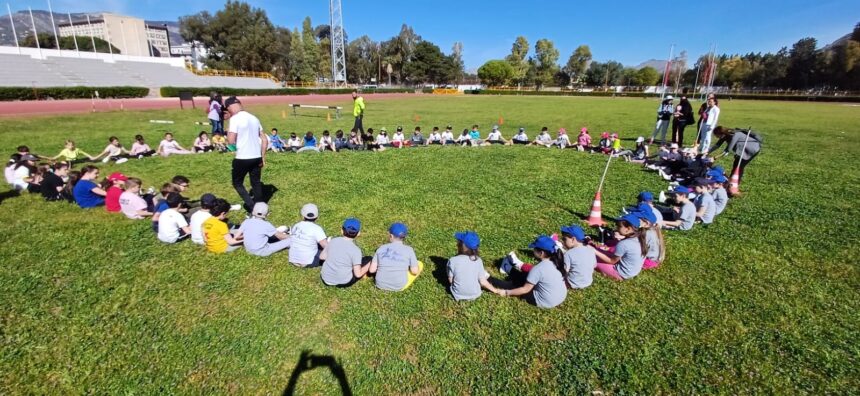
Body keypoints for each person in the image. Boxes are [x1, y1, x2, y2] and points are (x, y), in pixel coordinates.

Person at [496, 235, 567, 308]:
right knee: (527, 276)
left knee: (515, 284)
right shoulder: (557, 262)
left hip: (544, 302)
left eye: (534, 248)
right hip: (560, 297)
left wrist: (506, 292)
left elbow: (525, 289)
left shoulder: (538, 268)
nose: (533, 250)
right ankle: (507, 267)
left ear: (541, 253)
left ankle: (493, 275)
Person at [225, 96, 267, 213]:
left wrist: (228, 133)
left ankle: (252, 206)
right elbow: (264, 140)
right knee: (256, 182)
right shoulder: (254, 118)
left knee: (237, 183)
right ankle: (261, 208)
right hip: (256, 156)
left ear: (230, 107)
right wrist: (263, 156)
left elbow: (231, 141)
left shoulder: (235, 119)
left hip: (242, 157)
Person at [369, 222, 423, 292]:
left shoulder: (381, 248)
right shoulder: (409, 250)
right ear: (404, 237)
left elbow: (372, 270)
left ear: (391, 236)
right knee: (419, 264)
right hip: (399, 286)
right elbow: (415, 272)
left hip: (380, 284)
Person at [446, 231, 500, 301]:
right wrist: (495, 290)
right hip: (475, 294)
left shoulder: (452, 260)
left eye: (458, 242)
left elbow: (450, 280)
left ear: (460, 246)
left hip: (457, 294)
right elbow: (483, 282)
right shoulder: (478, 260)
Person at [591, 214, 646, 281]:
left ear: (628, 229)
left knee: (591, 258)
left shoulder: (624, 243)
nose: (616, 228)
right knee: (599, 253)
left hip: (621, 273)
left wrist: (594, 251)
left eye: (619, 226)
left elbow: (612, 261)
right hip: (632, 271)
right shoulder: (639, 238)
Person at [320, 218, 370, 287]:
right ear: (358, 233)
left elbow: (322, 257)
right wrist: (370, 263)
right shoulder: (356, 250)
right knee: (368, 259)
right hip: (343, 282)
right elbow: (358, 274)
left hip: (325, 279)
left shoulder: (333, 241)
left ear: (341, 230)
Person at [559, 225, 597, 289]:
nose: (563, 242)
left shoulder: (568, 254)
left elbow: (564, 271)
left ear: (573, 239)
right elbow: (594, 265)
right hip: (588, 282)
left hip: (571, 284)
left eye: (564, 239)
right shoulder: (591, 250)